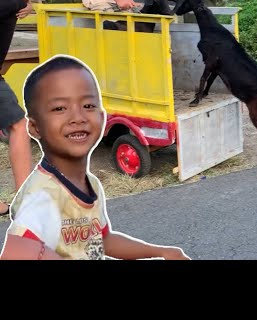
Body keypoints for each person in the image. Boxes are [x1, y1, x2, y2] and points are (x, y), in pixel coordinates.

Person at [0, 55, 191, 260]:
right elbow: (16, 253)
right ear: (35, 127)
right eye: (59, 108)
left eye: (88, 106)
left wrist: (160, 252)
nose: (78, 117)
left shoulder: (90, 184)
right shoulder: (42, 197)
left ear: (102, 116)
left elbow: (102, 241)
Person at [0, 0, 49, 217]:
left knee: (17, 125)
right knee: (18, 125)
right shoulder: (8, 1)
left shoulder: (14, 0)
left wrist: (28, 4)